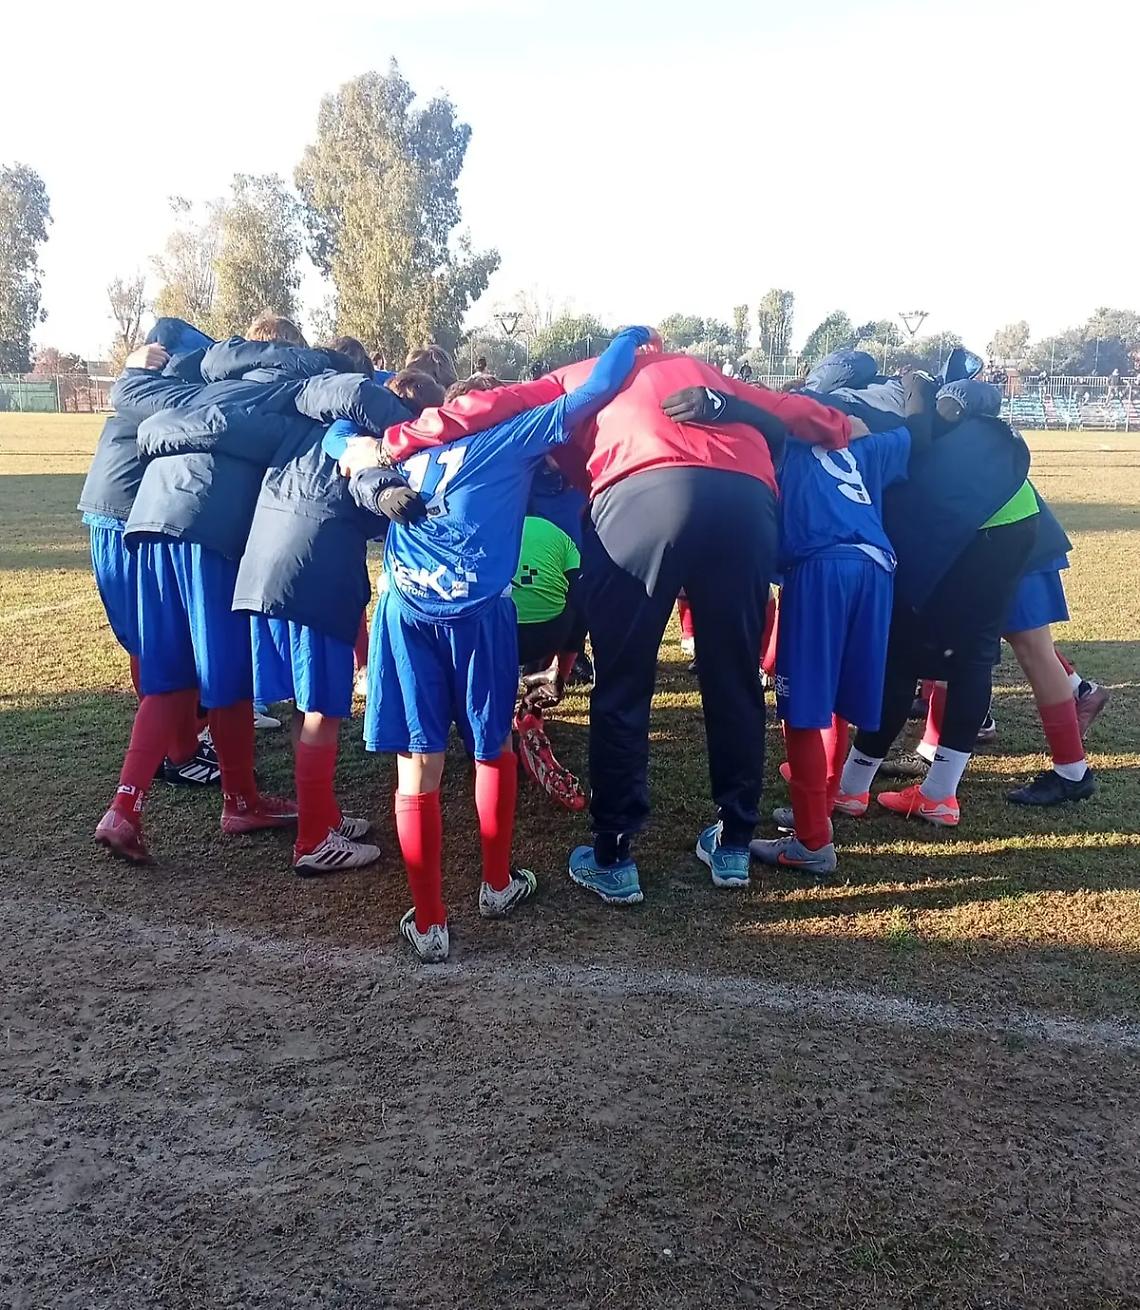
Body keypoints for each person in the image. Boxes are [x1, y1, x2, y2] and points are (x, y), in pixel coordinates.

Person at [337, 327, 655, 962]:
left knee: (418, 764)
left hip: (406, 608)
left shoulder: (404, 439)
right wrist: (632, 337)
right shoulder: (512, 436)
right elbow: (594, 390)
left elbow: (339, 437)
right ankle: (496, 883)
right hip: (480, 613)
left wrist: (363, 463)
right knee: (491, 744)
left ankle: (430, 923)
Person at [550, 348, 854, 899]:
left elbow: (525, 416)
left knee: (623, 679)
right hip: (745, 501)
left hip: (640, 492)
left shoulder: (593, 374)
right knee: (735, 676)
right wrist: (840, 423)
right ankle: (735, 842)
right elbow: (788, 409)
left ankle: (613, 853)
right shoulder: (707, 372)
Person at [94, 314, 397, 863]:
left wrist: (137, 370)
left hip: (150, 522)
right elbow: (349, 395)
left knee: (168, 674)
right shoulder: (294, 387)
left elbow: (134, 395)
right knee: (225, 675)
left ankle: (123, 807)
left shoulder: (206, 377)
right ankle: (241, 800)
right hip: (212, 533)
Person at [686, 373, 937, 876]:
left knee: (801, 706)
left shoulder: (777, 446)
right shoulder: (860, 450)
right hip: (877, 567)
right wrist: (918, 388)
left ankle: (812, 841)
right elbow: (920, 433)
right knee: (836, 698)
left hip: (819, 566)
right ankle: (817, 808)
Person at [222, 333, 415, 874]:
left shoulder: (301, 418)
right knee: (322, 713)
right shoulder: (369, 431)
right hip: (313, 575)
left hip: (263, 567)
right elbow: (376, 505)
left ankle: (321, 814)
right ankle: (313, 840)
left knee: (305, 710)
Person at [78, 321, 220, 791]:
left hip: (108, 517)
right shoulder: (153, 390)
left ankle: (172, 745)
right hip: (127, 521)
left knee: (148, 642)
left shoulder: (137, 383)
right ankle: (179, 752)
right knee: (165, 644)